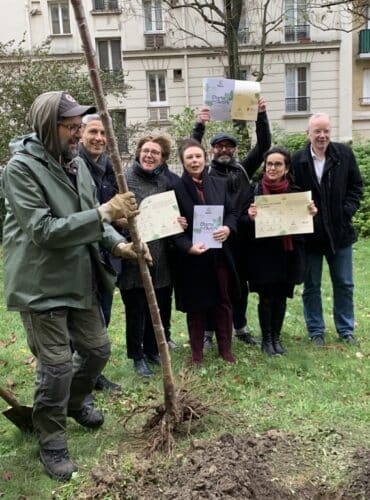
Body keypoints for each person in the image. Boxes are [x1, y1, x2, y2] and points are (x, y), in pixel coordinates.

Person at [1, 91, 145, 481]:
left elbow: (91, 221)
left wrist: (119, 244)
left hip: (78, 276)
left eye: (80, 127)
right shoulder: (19, 169)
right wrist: (103, 211)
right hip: (40, 283)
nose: (79, 134)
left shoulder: (76, 163)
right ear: (50, 126)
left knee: (97, 350)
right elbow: (43, 231)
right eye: (71, 127)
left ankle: (75, 400)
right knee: (57, 366)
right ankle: (52, 443)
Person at [193, 97, 271, 347]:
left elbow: (264, 145)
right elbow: (189, 150)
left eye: (229, 146)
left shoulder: (243, 169)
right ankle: (208, 333)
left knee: (241, 286)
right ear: (212, 150)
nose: (224, 150)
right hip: (214, 237)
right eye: (219, 146)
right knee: (211, 284)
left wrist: (261, 116)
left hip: (243, 237)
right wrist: (199, 126)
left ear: (235, 150)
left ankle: (240, 327)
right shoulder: (203, 172)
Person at [292, 113, 363, 347]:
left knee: (344, 283)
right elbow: (290, 193)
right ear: (308, 133)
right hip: (310, 235)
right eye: (317, 131)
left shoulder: (343, 154)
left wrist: (345, 212)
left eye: (326, 131)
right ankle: (316, 331)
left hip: (340, 233)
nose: (322, 136)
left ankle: (345, 328)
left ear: (330, 132)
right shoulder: (298, 160)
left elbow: (356, 186)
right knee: (311, 285)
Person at [118, 134, 182, 377]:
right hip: (135, 254)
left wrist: (178, 220)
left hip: (162, 255)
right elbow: (112, 214)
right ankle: (137, 356)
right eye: (146, 150)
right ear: (138, 153)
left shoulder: (165, 181)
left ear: (162, 158)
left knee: (160, 306)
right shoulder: (124, 179)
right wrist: (133, 224)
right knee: (136, 308)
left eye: (156, 152)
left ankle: (154, 349)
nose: (149, 155)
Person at [172, 138, 239, 365]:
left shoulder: (219, 183)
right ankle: (197, 354)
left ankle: (226, 350)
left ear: (205, 157)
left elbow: (231, 213)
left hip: (219, 255)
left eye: (198, 156)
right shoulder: (175, 189)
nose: (194, 161)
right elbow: (173, 228)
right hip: (193, 257)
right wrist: (187, 247)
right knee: (197, 306)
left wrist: (227, 228)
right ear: (183, 161)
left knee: (223, 301)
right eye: (189, 157)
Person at [245, 147, 317, 355]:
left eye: (278, 164)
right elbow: (241, 222)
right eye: (269, 164)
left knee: (282, 297)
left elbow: (307, 227)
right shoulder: (255, 190)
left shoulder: (296, 194)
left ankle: (277, 338)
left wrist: (311, 214)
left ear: (286, 168)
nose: (273, 168)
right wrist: (249, 217)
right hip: (264, 254)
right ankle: (266, 340)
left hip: (289, 253)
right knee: (266, 297)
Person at [78, 113, 122, 392]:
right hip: (83, 256)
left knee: (103, 316)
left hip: (107, 254)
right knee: (84, 321)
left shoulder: (109, 167)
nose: (99, 138)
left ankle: (92, 374)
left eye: (104, 133)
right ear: (80, 134)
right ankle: (82, 376)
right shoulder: (75, 166)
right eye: (93, 132)